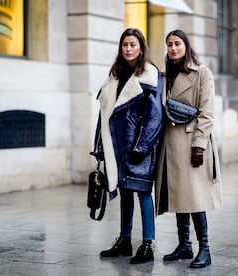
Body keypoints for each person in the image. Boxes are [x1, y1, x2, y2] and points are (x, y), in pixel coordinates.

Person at [91, 28, 163, 264]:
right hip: (116, 147)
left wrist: (141, 148)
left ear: (141, 48)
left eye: (133, 44)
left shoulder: (150, 75)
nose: (129, 49)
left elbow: (155, 117)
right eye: (125, 45)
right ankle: (124, 240)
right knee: (124, 192)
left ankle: (148, 244)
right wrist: (99, 145)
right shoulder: (114, 75)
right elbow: (105, 114)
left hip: (138, 148)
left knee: (142, 192)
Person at [155, 29, 223, 269]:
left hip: (191, 143)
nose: (173, 48)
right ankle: (185, 245)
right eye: (170, 44)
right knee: (179, 194)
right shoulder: (165, 76)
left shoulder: (202, 73)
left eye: (177, 44)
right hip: (170, 143)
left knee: (195, 198)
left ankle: (205, 248)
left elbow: (207, 113)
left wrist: (199, 146)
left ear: (186, 46)